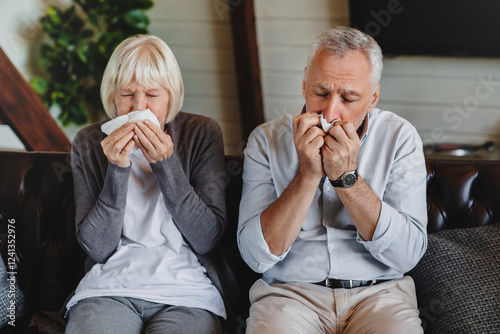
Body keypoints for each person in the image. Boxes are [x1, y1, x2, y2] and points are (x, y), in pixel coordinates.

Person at [238, 26, 427, 333]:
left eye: (349, 98)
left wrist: (346, 178)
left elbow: (406, 255)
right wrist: (307, 174)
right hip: (289, 294)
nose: (330, 112)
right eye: (321, 93)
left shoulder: (400, 138)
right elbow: (255, 257)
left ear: (373, 97)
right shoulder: (264, 140)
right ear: (304, 84)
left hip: (380, 295)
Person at [64, 35, 230, 334]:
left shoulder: (202, 133)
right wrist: (117, 169)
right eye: (127, 93)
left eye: (152, 95)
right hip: (108, 288)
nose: (137, 107)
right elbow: (97, 247)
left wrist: (166, 164)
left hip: (187, 292)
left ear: (171, 96)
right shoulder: (89, 143)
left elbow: (206, 238)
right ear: (112, 96)